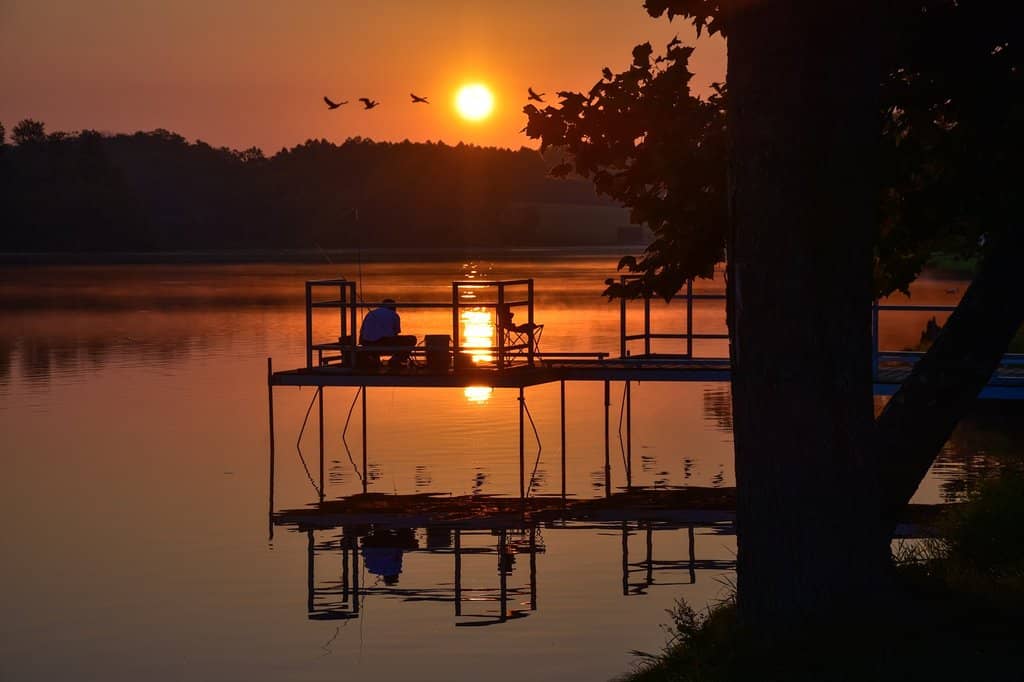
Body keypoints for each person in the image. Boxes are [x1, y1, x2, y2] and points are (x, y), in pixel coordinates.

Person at [359, 298, 416, 368]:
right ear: (393, 307)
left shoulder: (370, 313)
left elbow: (362, 331)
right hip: (384, 343)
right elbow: (395, 333)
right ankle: (395, 360)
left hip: (367, 343)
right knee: (411, 339)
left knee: (376, 337)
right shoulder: (394, 315)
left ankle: (375, 360)